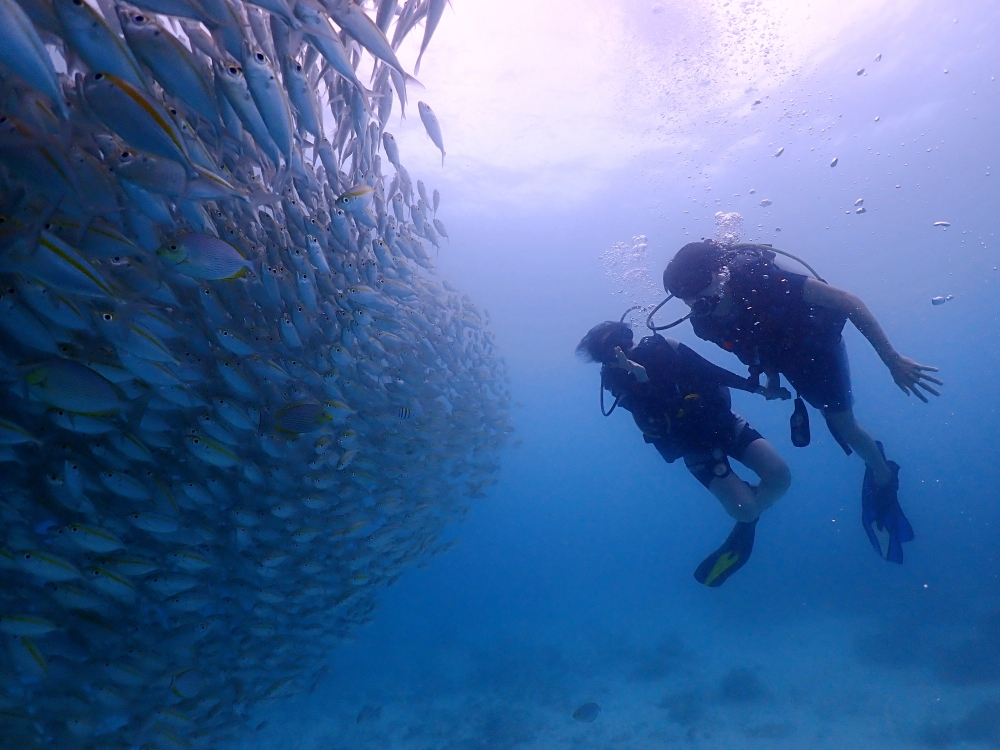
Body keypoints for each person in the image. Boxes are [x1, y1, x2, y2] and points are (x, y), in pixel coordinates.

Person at [662, 240, 943, 564]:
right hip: (787, 358)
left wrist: (892, 360)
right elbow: (751, 343)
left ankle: (883, 475)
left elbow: (848, 302)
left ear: (719, 271)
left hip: (818, 345)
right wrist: (770, 376)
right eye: (682, 294)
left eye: (697, 286)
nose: (695, 301)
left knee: (844, 427)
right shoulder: (704, 325)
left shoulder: (761, 278)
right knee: (832, 421)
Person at [577, 319, 792, 587]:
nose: (617, 354)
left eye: (618, 344)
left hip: (723, 423)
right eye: (605, 354)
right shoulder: (617, 382)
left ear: (629, 336)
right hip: (693, 445)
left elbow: (711, 372)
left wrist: (758, 389)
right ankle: (748, 515)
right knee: (745, 511)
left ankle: (747, 507)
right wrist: (641, 380)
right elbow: (653, 420)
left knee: (781, 476)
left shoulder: (664, 347)